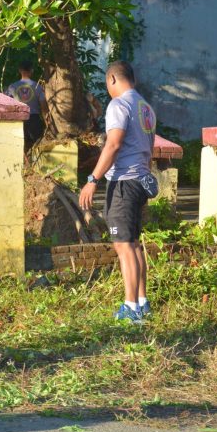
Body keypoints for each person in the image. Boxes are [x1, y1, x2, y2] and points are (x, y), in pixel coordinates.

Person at [79, 61, 156, 323]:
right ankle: (142, 303)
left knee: (123, 246)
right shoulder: (145, 107)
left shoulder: (119, 104)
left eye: (106, 83)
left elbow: (113, 144)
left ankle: (131, 308)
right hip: (140, 181)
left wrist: (93, 179)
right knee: (133, 245)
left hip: (123, 183)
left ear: (112, 79)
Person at [6, 60, 49, 152]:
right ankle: (34, 165)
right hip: (34, 120)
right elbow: (43, 107)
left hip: (17, 119)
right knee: (37, 146)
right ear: (32, 70)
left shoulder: (12, 87)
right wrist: (47, 124)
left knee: (19, 147)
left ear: (20, 70)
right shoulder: (38, 87)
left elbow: (6, 105)